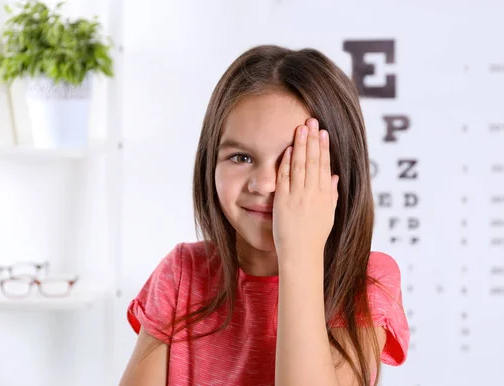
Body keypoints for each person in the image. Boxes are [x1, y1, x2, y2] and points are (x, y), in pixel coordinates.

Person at [119, 44, 409, 386]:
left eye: (292, 161)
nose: (264, 183)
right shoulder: (183, 273)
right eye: (241, 158)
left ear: (340, 171)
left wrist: (299, 250)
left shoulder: (365, 282)